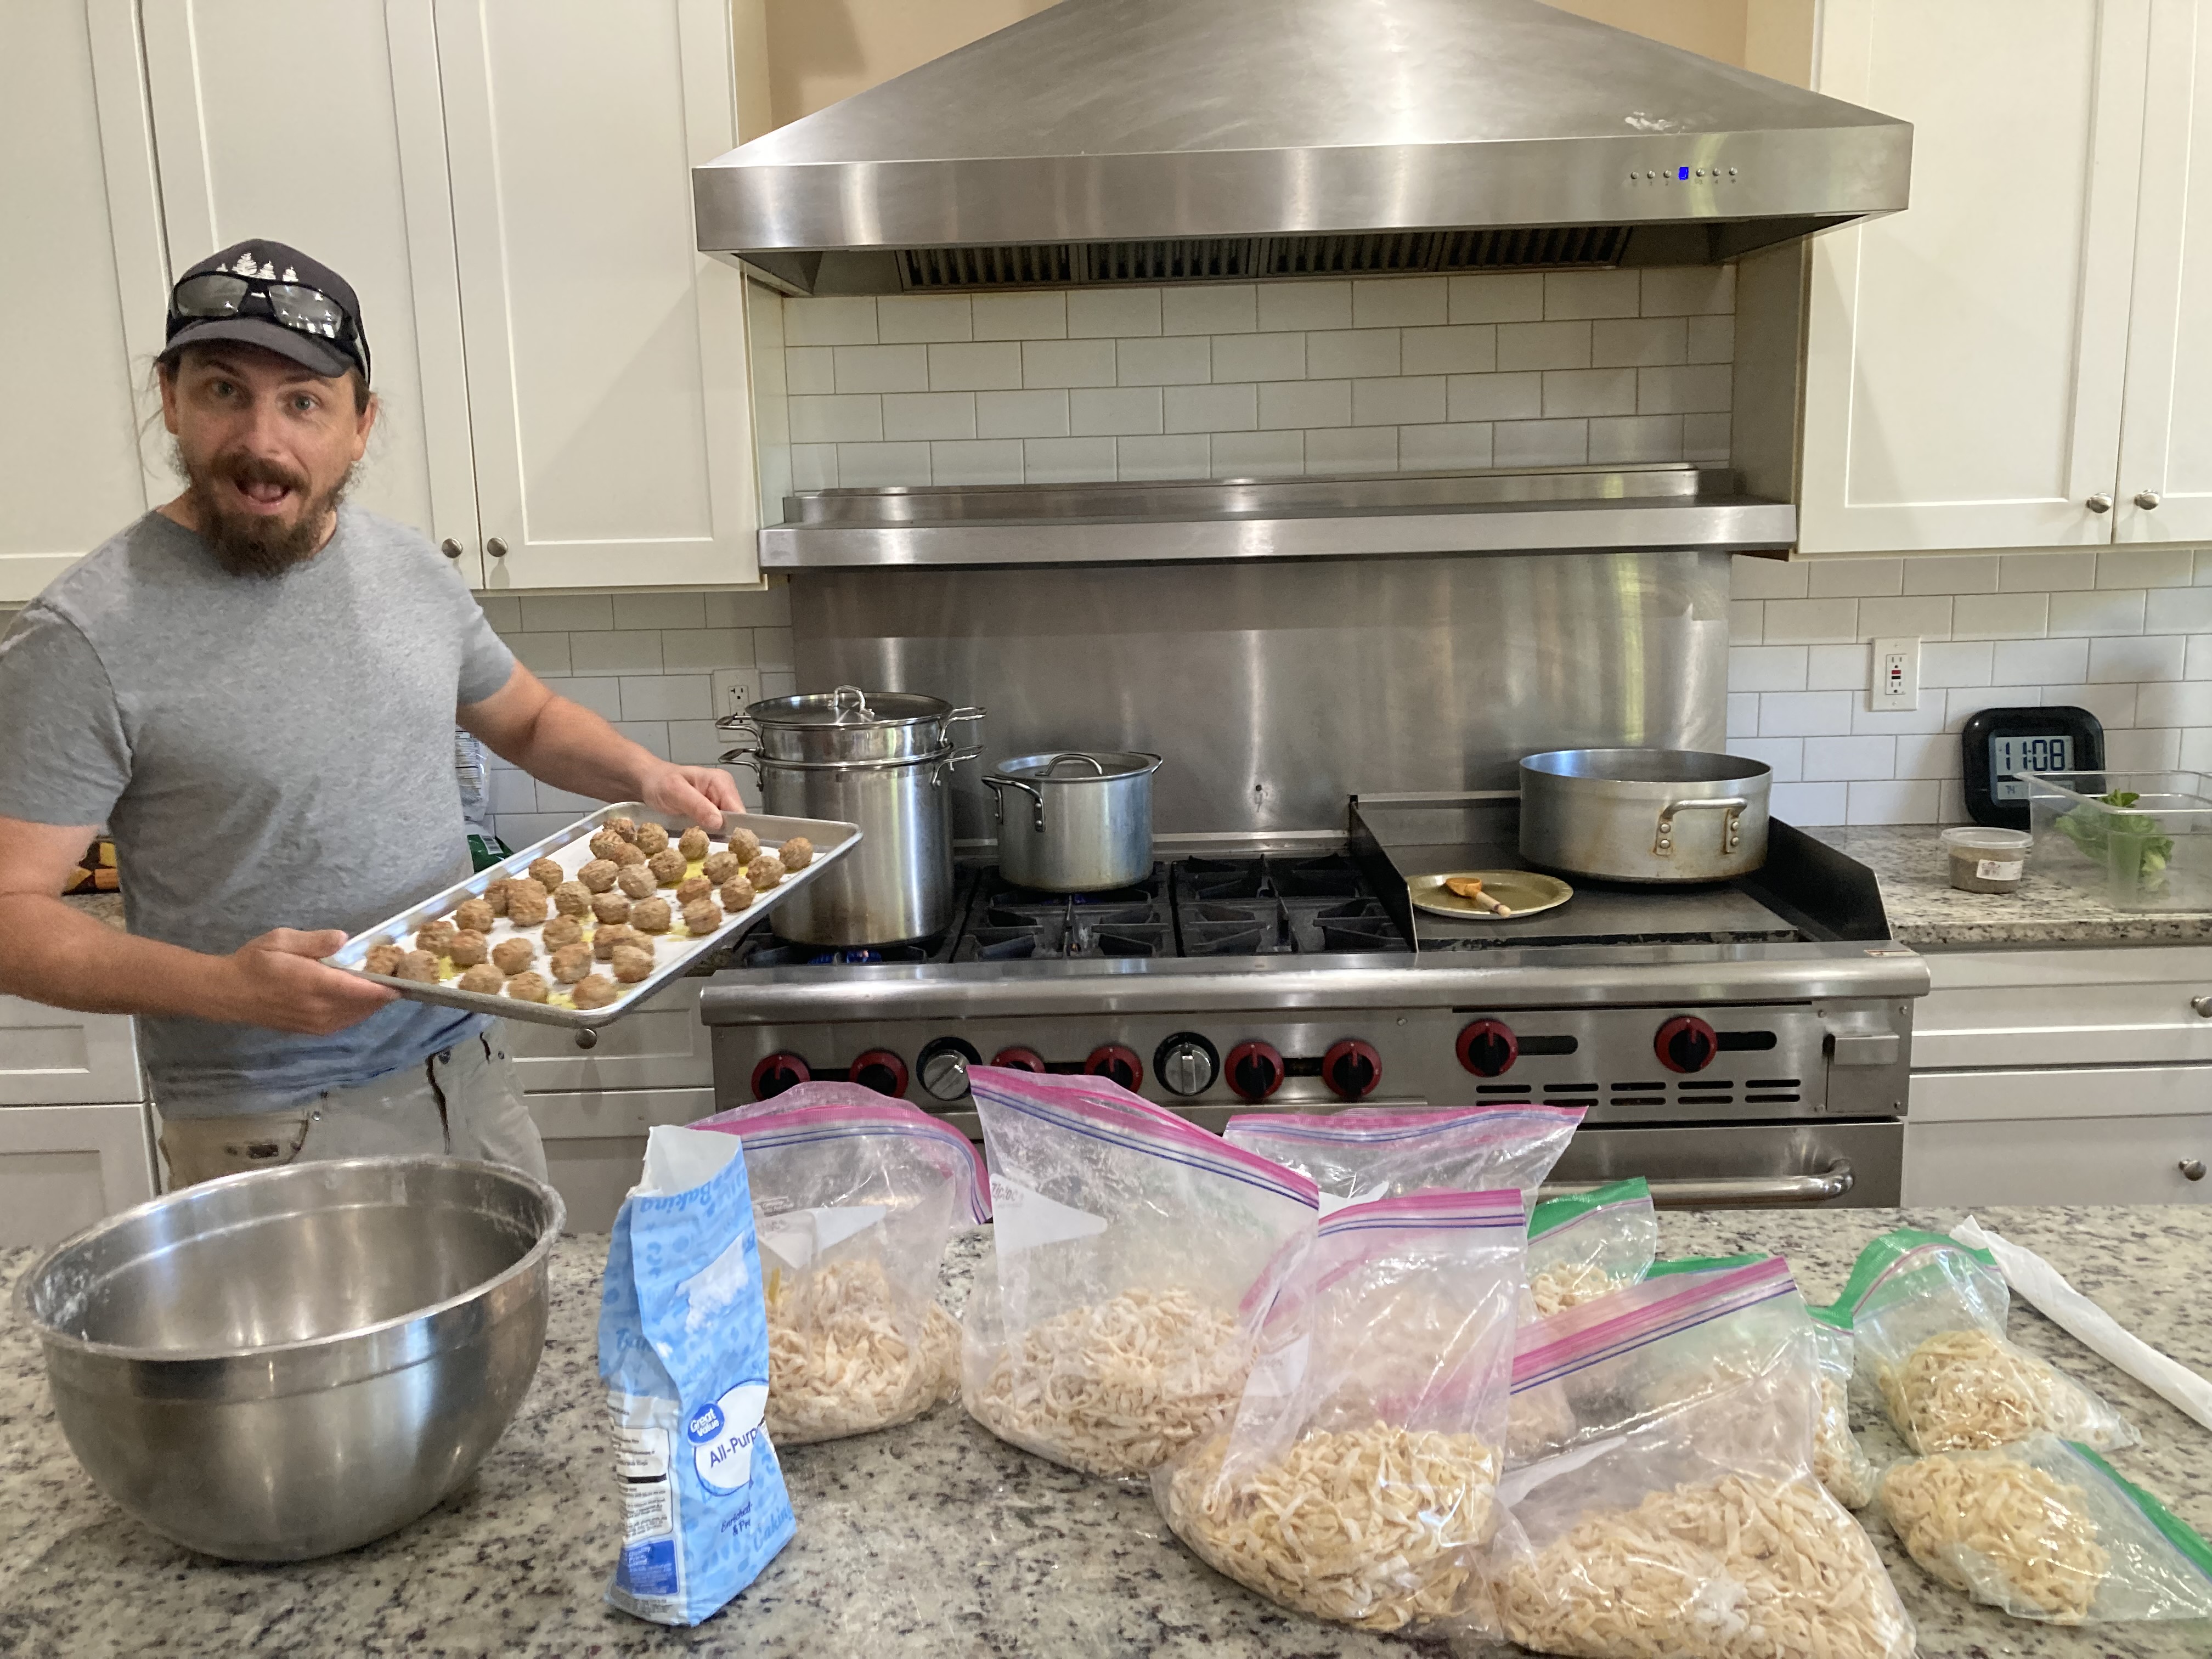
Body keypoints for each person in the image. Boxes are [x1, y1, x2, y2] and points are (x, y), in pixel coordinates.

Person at [0, 239, 743, 1186]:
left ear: (361, 425)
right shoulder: (83, 634)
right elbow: (10, 915)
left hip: (469, 1070)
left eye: (303, 402)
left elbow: (526, 720)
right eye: (225, 390)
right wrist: (226, 988)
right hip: (272, 1122)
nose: (263, 440)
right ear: (170, 399)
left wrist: (645, 776)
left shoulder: (411, 570)